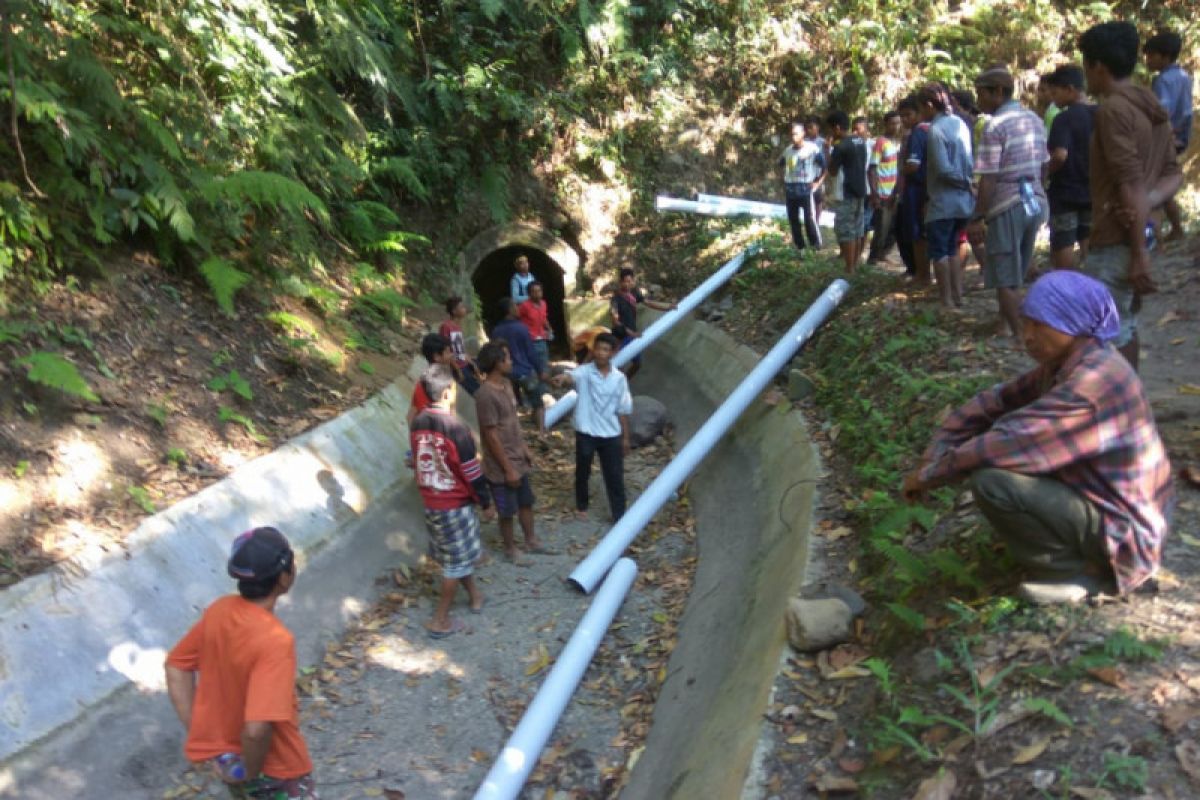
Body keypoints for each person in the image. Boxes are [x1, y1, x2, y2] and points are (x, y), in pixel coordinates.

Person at [902, 271, 1173, 604]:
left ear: (1071, 323)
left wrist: (928, 476)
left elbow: (1006, 443)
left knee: (993, 482)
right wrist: (937, 449)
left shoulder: (1089, 385)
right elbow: (996, 401)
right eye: (1026, 324)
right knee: (1000, 462)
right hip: (1111, 503)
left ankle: (1077, 575)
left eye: (1038, 326)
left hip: (1125, 528)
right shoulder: (1073, 360)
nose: (1026, 337)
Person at [165, 527, 317, 798]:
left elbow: (176, 666)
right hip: (277, 769)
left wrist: (203, 735)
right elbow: (257, 730)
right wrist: (251, 770)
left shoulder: (220, 610)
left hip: (229, 759)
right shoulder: (275, 640)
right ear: (284, 577)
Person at [1078, 21, 1182, 370]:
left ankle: (1118, 410)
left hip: (1119, 237)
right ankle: (1131, 400)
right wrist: (1147, 204)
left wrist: (1138, 253)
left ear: (1098, 67)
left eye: (1085, 64)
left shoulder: (1113, 110)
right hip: (1143, 227)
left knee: (1102, 330)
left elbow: (1129, 182)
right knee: (1125, 324)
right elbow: (1172, 173)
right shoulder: (1150, 104)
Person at [410, 364, 495, 637]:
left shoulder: (418, 422)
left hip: (431, 501)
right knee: (454, 563)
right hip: (455, 505)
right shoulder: (456, 428)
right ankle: (440, 619)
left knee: (456, 553)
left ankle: (474, 596)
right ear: (448, 392)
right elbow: (471, 471)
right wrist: (486, 502)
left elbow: (414, 458)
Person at [969, 65, 1050, 340]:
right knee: (1017, 270)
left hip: (1008, 204)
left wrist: (977, 216)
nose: (978, 101)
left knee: (1005, 277)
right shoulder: (1035, 120)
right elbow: (1044, 165)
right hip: (1036, 201)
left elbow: (989, 178)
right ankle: (1004, 326)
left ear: (999, 92)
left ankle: (1020, 336)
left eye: (981, 95)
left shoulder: (995, 126)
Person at [474, 341, 550, 563]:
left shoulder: (507, 385)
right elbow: (491, 434)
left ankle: (531, 539)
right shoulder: (485, 395)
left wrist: (524, 448)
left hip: (517, 456)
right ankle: (510, 549)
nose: (511, 361)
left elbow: (512, 421)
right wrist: (507, 468)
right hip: (501, 464)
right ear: (497, 363)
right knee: (506, 509)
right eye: (507, 358)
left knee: (526, 501)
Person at [551, 332, 633, 522]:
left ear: (612, 353)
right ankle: (582, 505)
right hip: (586, 432)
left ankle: (619, 515)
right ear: (593, 350)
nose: (601, 353)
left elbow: (623, 409)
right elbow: (571, 377)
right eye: (598, 348)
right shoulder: (585, 372)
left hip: (611, 434)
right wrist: (562, 379)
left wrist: (626, 438)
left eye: (606, 349)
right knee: (582, 471)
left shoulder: (619, 379)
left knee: (615, 476)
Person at [918, 83, 975, 309]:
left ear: (929, 105)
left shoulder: (936, 129)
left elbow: (942, 169)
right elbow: (969, 161)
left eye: (922, 108)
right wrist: (968, 183)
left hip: (943, 201)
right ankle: (957, 294)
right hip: (962, 202)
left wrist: (962, 181)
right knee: (952, 247)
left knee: (940, 251)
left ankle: (946, 299)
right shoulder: (960, 123)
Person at [1045, 65, 1096, 269]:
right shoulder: (1100, 113)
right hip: (1094, 190)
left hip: (1066, 192)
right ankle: (1093, 283)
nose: (1053, 98)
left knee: (1064, 241)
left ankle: (1068, 286)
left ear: (1070, 89)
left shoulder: (1063, 119)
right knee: (1089, 239)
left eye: (1055, 92)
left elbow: (1060, 155)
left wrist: (1045, 173)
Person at [1145, 30, 1193, 241]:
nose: (1147, 60)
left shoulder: (1162, 80)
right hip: (1180, 137)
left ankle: (1155, 235)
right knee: (1164, 184)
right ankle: (1175, 227)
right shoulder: (1184, 76)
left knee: (1153, 185)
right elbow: (1185, 111)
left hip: (1165, 138)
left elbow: (1161, 113)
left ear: (1164, 56)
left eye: (1151, 55)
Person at [491, 297, 549, 430]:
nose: (518, 308)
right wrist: (540, 370)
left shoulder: (496, 331)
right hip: (524, 372)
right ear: (509, 310)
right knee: (537, 403)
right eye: (515, 306)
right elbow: (531, 352)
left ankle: (516, 431)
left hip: (506, 374)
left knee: (512, 405)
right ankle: (541, 432)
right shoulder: (521, 328)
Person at [825, 110, 870, 273]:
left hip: (846, 192)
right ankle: (855, 264)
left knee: (845, 230)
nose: (830, 133)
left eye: (830, 129)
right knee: (857, 229)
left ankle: (849, 267)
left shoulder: (840, 146)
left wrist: (827, 151)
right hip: (860, 190)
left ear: (837, 128)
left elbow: (832, 171)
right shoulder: (859, 141)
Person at [610, 267, 672, 380]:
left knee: (637, 364)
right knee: (618, 364)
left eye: (630, 281)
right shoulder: (616, 299)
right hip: (620, 335)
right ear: (620, 282)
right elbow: (615, 320)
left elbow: (647, 302)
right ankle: (614, 387)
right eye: (625, 281)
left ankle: (623, 383)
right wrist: (629, 332)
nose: (628, 284)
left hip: (632, 334)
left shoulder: (634, 293)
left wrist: (666, 308)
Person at [896, 96, 931, 283]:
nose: (904, 120)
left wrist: (901, 169)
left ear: (919, 113)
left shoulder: (918, 132)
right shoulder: (930, 130)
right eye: (902, 116)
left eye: (908, 115)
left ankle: (922, 274)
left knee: (917, 234)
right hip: (926, 187)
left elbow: (913, 165)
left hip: (916, 188)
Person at [778, 120, 825, 251]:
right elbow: (780, 165)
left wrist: (817, 182)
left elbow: (824, 167)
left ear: (803, 133)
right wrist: (783, 181)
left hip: (806, 189)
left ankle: (815, 245)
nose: (794, 137)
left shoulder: (812, 149)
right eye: (791, 134)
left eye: (796, 134)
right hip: (790, 189)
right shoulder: (787, 151)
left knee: (809, 219)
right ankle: (800, 247)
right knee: (793, 220)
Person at [867, 111, 903, 264]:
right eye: (892, 123)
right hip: (882, 193)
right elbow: (872, 168)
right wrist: (874, 194)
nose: (895, 126)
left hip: (894, 192)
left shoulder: (897, 143)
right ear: (886, 124)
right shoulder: (881, 142)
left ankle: (883, 253)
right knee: (881, 228)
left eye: (898, 123)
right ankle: (873, 258)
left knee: (894, 228)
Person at [407, 333, 455, 428]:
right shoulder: (448, 384)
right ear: (437, 356)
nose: (451, 355)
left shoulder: (421, 383)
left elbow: (410, 416)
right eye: (448, 352)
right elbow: (451, 414)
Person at [440, 296, 481, 395]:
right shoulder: (446, 326)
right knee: (475, 391)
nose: (465, 309)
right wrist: (457, 370)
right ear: (454, 311)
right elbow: (447, 350)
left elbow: (460, 350)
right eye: (461, 307)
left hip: (464, 364)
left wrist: (471, 363)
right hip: (457, 367)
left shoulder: (457, 327)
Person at [518, 281, 552, 377]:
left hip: (542, 340)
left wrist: (549, 329)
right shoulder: (524, 306)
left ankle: (545, 388)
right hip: (529, 341)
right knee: (532, 367)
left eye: (539, 291)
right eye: (534, 291)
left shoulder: (543, 303)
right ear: (529, 293)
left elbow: (544, 318)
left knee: (544, 365)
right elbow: (516, 319)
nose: (537, 294)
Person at [804, 116, 828, 224]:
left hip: (818, 175)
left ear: (817, 128)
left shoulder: (823, 143)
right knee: (806, 200)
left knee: (818, 199)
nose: (808, 130)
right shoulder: (804, 142)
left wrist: (820, 179)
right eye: (807, 128)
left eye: (811, 127)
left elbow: (827, 161)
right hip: (805, 174)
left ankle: (816, 222)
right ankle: (808, 220)